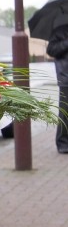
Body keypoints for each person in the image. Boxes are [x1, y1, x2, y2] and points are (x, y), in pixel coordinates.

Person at [46, 15, 68, 153]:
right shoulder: (60, 31)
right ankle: (63, 143)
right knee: (65, 112)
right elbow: (51, 50)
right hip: (66, 77)